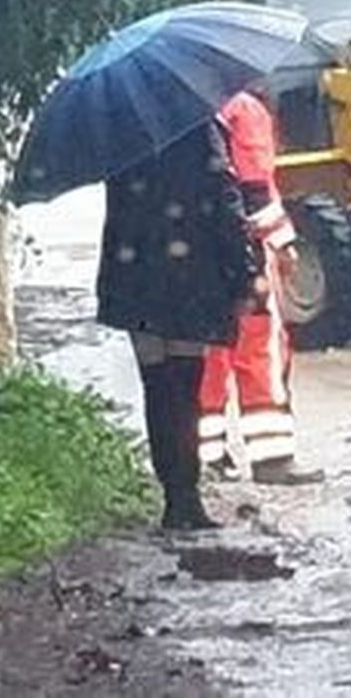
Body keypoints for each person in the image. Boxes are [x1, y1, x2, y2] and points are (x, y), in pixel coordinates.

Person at [96, 120, 258, 530]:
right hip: (190, 280)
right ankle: (187, 497)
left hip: (135, 280)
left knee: (158, 386)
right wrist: (242, 276)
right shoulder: (199, 130)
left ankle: (173, 495)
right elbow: (226, 206)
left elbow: (117, 218)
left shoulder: (122, 136)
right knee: (186, 388)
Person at [195, 87, 325, 486]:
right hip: (245, 253)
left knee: (209, 355)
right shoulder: (244, 109)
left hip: (199, 254)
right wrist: (284, 243)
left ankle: (207, 459)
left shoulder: (187, 112)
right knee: (260, 351)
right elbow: (255, 189)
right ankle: (273, 459)